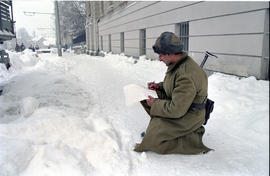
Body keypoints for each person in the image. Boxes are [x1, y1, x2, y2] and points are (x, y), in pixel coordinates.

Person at [134, 32, 212, 154]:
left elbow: (176, 110)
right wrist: (158, 87)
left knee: (153, 141)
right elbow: (174, 85)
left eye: (161, 55)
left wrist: (155, 103)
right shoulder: (178, 63)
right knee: (144, 97)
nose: (159, 58)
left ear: (170, 54)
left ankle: (190, 139)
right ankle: (162, 131)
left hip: (190, 115)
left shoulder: (186, 74)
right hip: (181, 106)